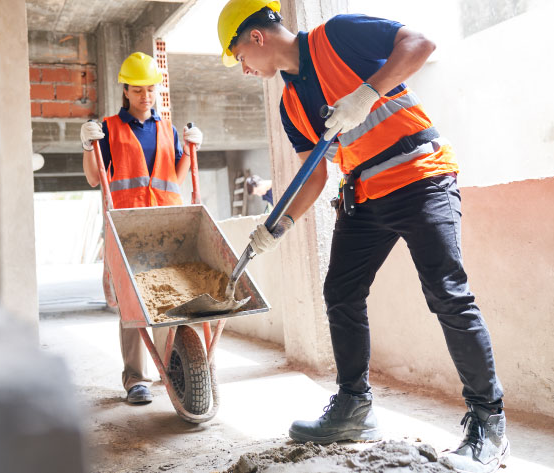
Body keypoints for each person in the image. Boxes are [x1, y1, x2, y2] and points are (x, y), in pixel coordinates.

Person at [216, 1, 507, 472]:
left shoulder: (338, 34)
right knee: (341, 293)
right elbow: (311, 177)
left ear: (256, 38)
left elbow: (421, 43)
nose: (245, 70)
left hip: (420, 177)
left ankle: (488, 422)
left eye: (239, 57)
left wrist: (366, 93)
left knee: (447, 295)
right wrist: (279, 225)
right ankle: (354, 405)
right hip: (366, 194)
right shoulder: (290, 102)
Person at [80, 52, 204, 405]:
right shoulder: (108, 128)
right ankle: (136, 379)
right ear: (125, 90)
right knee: (133, 307)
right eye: (137, 90)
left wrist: (191, 149)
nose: (144, 96)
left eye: (150, 89)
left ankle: (171, 368)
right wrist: (89, 145)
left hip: (168, 226)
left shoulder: (167, 129)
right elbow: (94, 177)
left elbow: (175, 181)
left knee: (169, 300)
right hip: (128, 227)